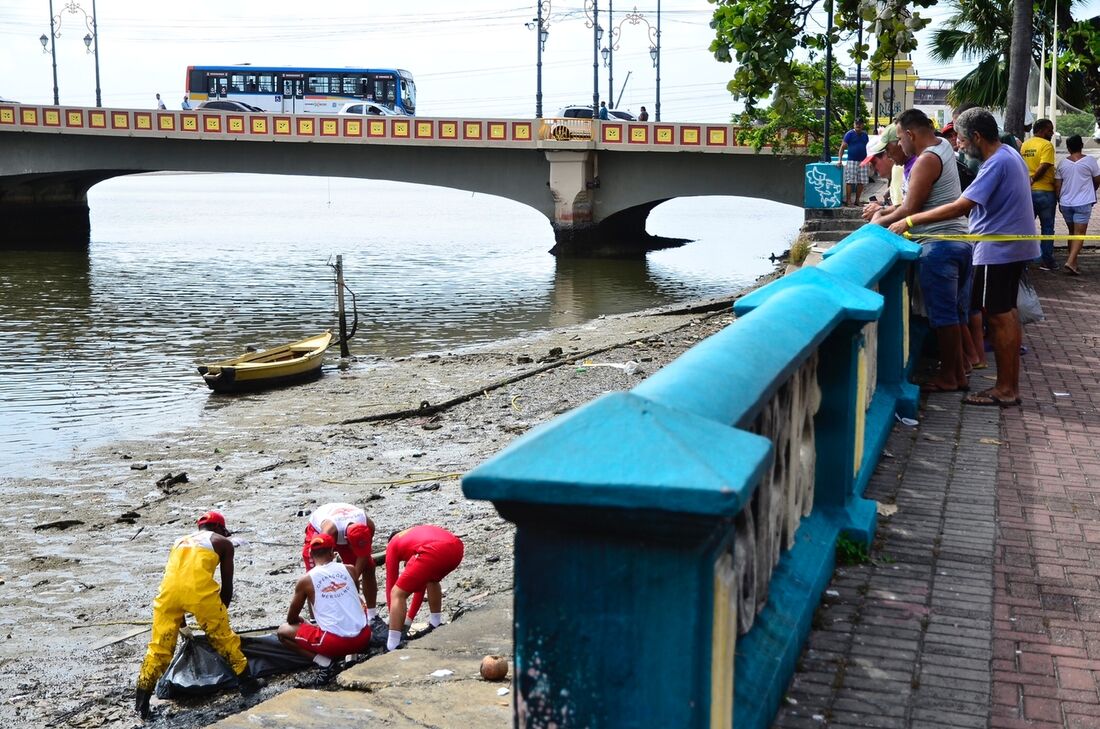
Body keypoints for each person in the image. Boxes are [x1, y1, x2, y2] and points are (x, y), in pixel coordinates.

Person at [889, 107, 1039, 407]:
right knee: (1003, 314)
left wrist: (909, 221)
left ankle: (1006, 389)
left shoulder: (996, 163)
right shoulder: (1010, 155)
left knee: (999, 317)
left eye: (960, 139)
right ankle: (1003, 385)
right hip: (1007, 247)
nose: (957, 144)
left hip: (999, 249)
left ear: (977, 137)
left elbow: (961, 206)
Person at [871, 109, 972, 392]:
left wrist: (876, 224)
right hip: (958, 242)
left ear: (910, 134)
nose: (900, 146)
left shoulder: (927, 159)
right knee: (953, 314)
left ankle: (950, 377)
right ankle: (959, 373)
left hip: (938, 246)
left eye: (901, 138)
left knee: (943, 317)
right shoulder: (942, 145)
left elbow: (910, 208)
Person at [135, 511, 263, 719]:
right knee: (224, 639)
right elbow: (227, 587)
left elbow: (177, 582)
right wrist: (219, 618)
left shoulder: (179, 541)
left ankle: (141, 702)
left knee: (158, 648)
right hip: (200, 595)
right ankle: (247, 683)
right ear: (221, 528)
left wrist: (183, 626)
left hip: (167, 596)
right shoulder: (223, 542)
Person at [278, 533, 373, 682]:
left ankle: (325, 663)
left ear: (310, 554)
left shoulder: (305, 580)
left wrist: (303, 621)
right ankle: (351, 658)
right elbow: (356, 599)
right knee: (360, 605)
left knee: (283, 631)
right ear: (332, 553)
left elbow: (291, 619)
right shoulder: (350, 569)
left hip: (335, 644)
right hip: (363, 637)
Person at [384, 525, 464, 652]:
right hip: (457, 548)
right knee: (432, 580)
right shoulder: (413, 536)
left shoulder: (392, 545)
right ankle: (435, 623)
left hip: (435, 549)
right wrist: (408, 621)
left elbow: (391, 586)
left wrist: (393, 625)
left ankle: (391, 646)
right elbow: (420, 588)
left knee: (397, 593)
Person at [302, 503, 379, 619]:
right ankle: (316, 621)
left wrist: (352, 580)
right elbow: (322, 564)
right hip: (320, 533)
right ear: (347, 542)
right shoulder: (328, 531)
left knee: (369, 567)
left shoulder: (369, 525)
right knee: (315, 578)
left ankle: (372, 616)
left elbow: (364, 554)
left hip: (345, 528)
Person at [1054, 134, 1100, 275]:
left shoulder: (1062, 163)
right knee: (1079, 234)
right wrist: (1091, 190)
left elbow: (1057, 186)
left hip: (1066, 203)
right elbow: (1097, 180)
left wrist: (1059, 201)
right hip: (1083, 202)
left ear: (1068, 148)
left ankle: (1073, 262)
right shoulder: (1090, 161)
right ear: (1082, 145)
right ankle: (1070, 261)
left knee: (1072, 232)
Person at [1021, 119, 1057, 270]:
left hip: (1028, 192)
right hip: (1045, 192)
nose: (1052, 133)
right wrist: (1033, 179)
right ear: (1042, 130)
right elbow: (1045, 165)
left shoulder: (1025, 144)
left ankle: (1024, 261)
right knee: (1047, 228)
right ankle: (1046, 260)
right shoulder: (1047, 145)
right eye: (1050, 130)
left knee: (1027, 227)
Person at [837, 118, 870, 206]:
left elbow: (868, 148)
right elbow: (842, 148)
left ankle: (857, 200)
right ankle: (848, 201)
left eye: (859, 123)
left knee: (861, 181)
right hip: (852, 160)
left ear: (862, 125)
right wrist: (839, 160)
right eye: (856, 123)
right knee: (850, 181)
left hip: (863, 161)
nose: (858, 125)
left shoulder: (865, 135)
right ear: (854, 124)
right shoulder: (849, 134)